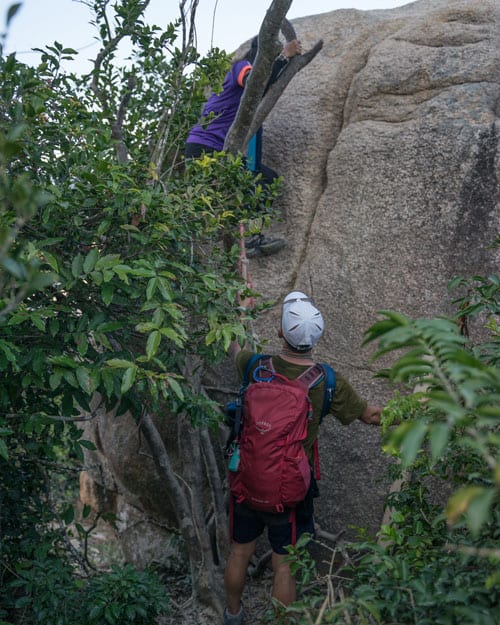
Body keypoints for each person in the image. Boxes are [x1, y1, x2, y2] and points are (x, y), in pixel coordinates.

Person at [223, 291, 382, 625]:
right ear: (319, 336)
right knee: (284, 564)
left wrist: (241, 311)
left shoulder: (255, 366)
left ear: (280, 333)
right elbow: (371, 416)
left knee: (240, 551)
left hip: (246, 479)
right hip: (290, 490)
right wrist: (413, 412)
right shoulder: (327, 382)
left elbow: (232, 346)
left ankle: (233, 614)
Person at [185, 37, 302, 258]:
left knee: (265, 180)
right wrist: (284, 56)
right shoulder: (242, 67)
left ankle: (250, 236)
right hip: (205, 148)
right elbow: (254, 84)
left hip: (211, 149)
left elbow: (263, 85)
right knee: (257, 182)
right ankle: (247, 238)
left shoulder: (248, 77)